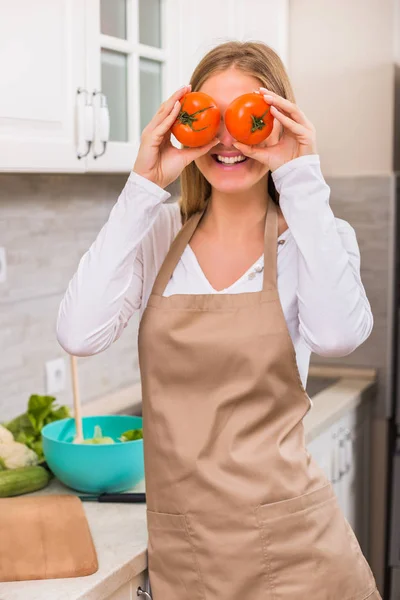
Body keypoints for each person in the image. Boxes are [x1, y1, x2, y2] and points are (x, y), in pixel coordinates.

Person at [57, 41, 381, 599]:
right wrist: (141, 186)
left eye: (248, 119)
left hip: (299, 556)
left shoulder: (313, 239)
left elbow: (339, 335)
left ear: (278, 123)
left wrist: (302, 175)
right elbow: (79, 334)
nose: (229, 141)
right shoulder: (157, 233)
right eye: (210, 119)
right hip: (190, 557)